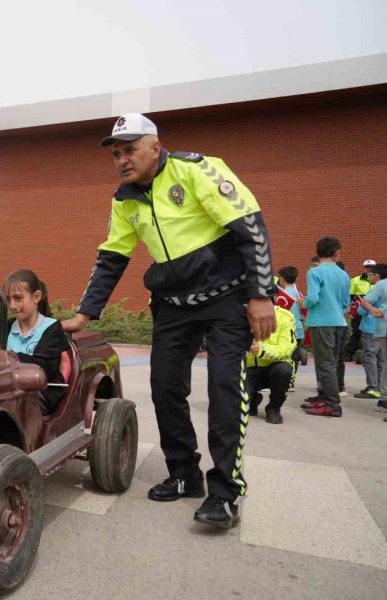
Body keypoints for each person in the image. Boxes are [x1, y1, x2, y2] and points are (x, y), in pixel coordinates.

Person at [61, 113, 276, 529]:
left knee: (225, 392)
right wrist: (85, 313)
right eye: (117, 153)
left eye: (131, 149)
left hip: (227, 297)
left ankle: (227, 492)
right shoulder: (124, 199)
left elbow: (250, 227)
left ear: (155, 147)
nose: (123, 159)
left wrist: (260, 295)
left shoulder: (197, 170)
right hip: (173, 303)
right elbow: (111, 258)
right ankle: (184, 474)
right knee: (164, 389)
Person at [2, 269, 69, 414]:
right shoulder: (5, 327)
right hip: (7, 390)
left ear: (36, 297)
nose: (12, 305)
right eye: (8, 299)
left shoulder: (52, 328)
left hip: (42, 390)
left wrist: (5, 356)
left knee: (11, 407)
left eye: (18, 298)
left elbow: (43, 367)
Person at [300, 237, 351, 417]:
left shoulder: (314, 272)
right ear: (335, 252)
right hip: (338, 321)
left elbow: (313, 298)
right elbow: (346, 302)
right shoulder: (343, 274)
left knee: (325, 364)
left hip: (321, 322)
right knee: (331, 362)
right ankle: (325, 397)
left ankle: (332, 404)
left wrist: (303, 302)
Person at [246, 305, 297, 424]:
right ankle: (252, 399)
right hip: (246, 368)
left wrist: (261, 350)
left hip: (273, 369)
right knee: (234, 409)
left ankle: (274, 407)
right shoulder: (238, 313)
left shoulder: (285, 316)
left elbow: (287, 348)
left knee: (283, 370)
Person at [356, 263, 387, 408]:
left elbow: (363, 306)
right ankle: (382, 389)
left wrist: (370, 309)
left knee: (370, 356)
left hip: (374, 327)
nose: (369, 277)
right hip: (381, 328)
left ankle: (373, 387)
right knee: (382, 360)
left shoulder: (379, 286)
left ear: (377, 276)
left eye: (371, 274)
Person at [277, 266, 304, 387]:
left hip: (285, 329)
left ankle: (284, 381)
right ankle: (291, 381)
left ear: (282, 279)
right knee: (295, 357)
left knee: (283, 356)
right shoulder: (299, 294)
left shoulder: (281, 295)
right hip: (298, 328)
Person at [346, 259, 376, 360]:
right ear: (363, 268)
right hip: (361, 308)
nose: (369, 269)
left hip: (375, 308)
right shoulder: (356, 280)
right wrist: (351, 305)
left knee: (375, 331)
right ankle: (349, 353)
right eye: (367, 267)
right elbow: (351, 295)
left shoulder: (378, 280)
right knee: (357, 330)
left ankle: (372, 353)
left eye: (371, 267)